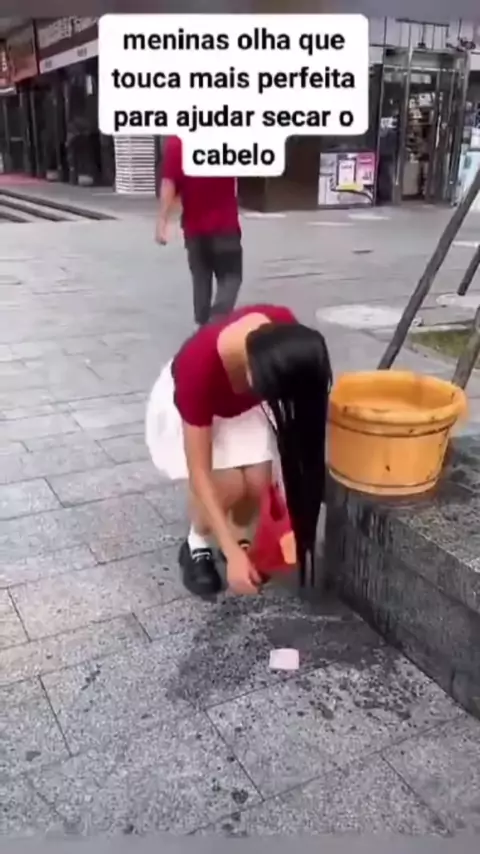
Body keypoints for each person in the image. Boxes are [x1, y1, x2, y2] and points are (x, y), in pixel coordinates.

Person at [146, 304, 332, 598]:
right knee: (228, 485)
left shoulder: (281, 333)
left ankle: (242, 539)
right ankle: (196, 544)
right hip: (202, 407)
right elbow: (199, 471)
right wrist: (232, 555)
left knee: (258, 482)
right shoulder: (198, 369)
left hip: (245, 401)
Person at [155, 135, 243, 326]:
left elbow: (169, 182)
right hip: (225, 226)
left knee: (201, 280)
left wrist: (162, 220)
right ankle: (216, 320)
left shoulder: (177, 142)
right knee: (231, 277)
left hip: (194, 229)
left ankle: (203, 325)